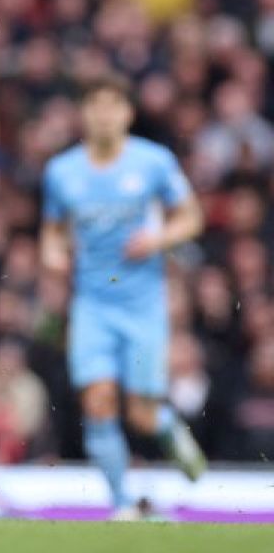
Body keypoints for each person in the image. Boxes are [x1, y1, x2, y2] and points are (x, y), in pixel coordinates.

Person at [41, 74, 208, 520]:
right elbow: (52, 233)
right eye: (95, 106)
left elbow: (191, 217)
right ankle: (121, 504)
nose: (103, 115)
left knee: (141, 414)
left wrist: (156, 239)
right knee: (97, 401)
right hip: (92, 306)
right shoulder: (62, 172)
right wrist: (55, 256)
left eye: (113, 106)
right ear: (83, 114)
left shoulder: (154, 162)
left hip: (143, 308)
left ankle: (170, 428)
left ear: (127, 114)